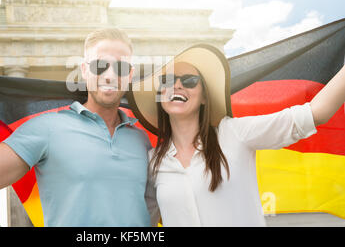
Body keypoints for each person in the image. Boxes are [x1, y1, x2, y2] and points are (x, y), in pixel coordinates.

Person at [0, 28, 152, 226]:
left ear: (130, 75)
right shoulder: (47, 128)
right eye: (99, 65)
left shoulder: (142, 140)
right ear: (85, 71)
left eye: (121, 67)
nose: (110, 75)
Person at [127, 44, 345, 226]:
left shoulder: (235, 133)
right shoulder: (152, 162)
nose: (177, 85)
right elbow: (141, 224)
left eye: (190, 81)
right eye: (167, 81)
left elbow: (317, 112)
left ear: (204, 97)